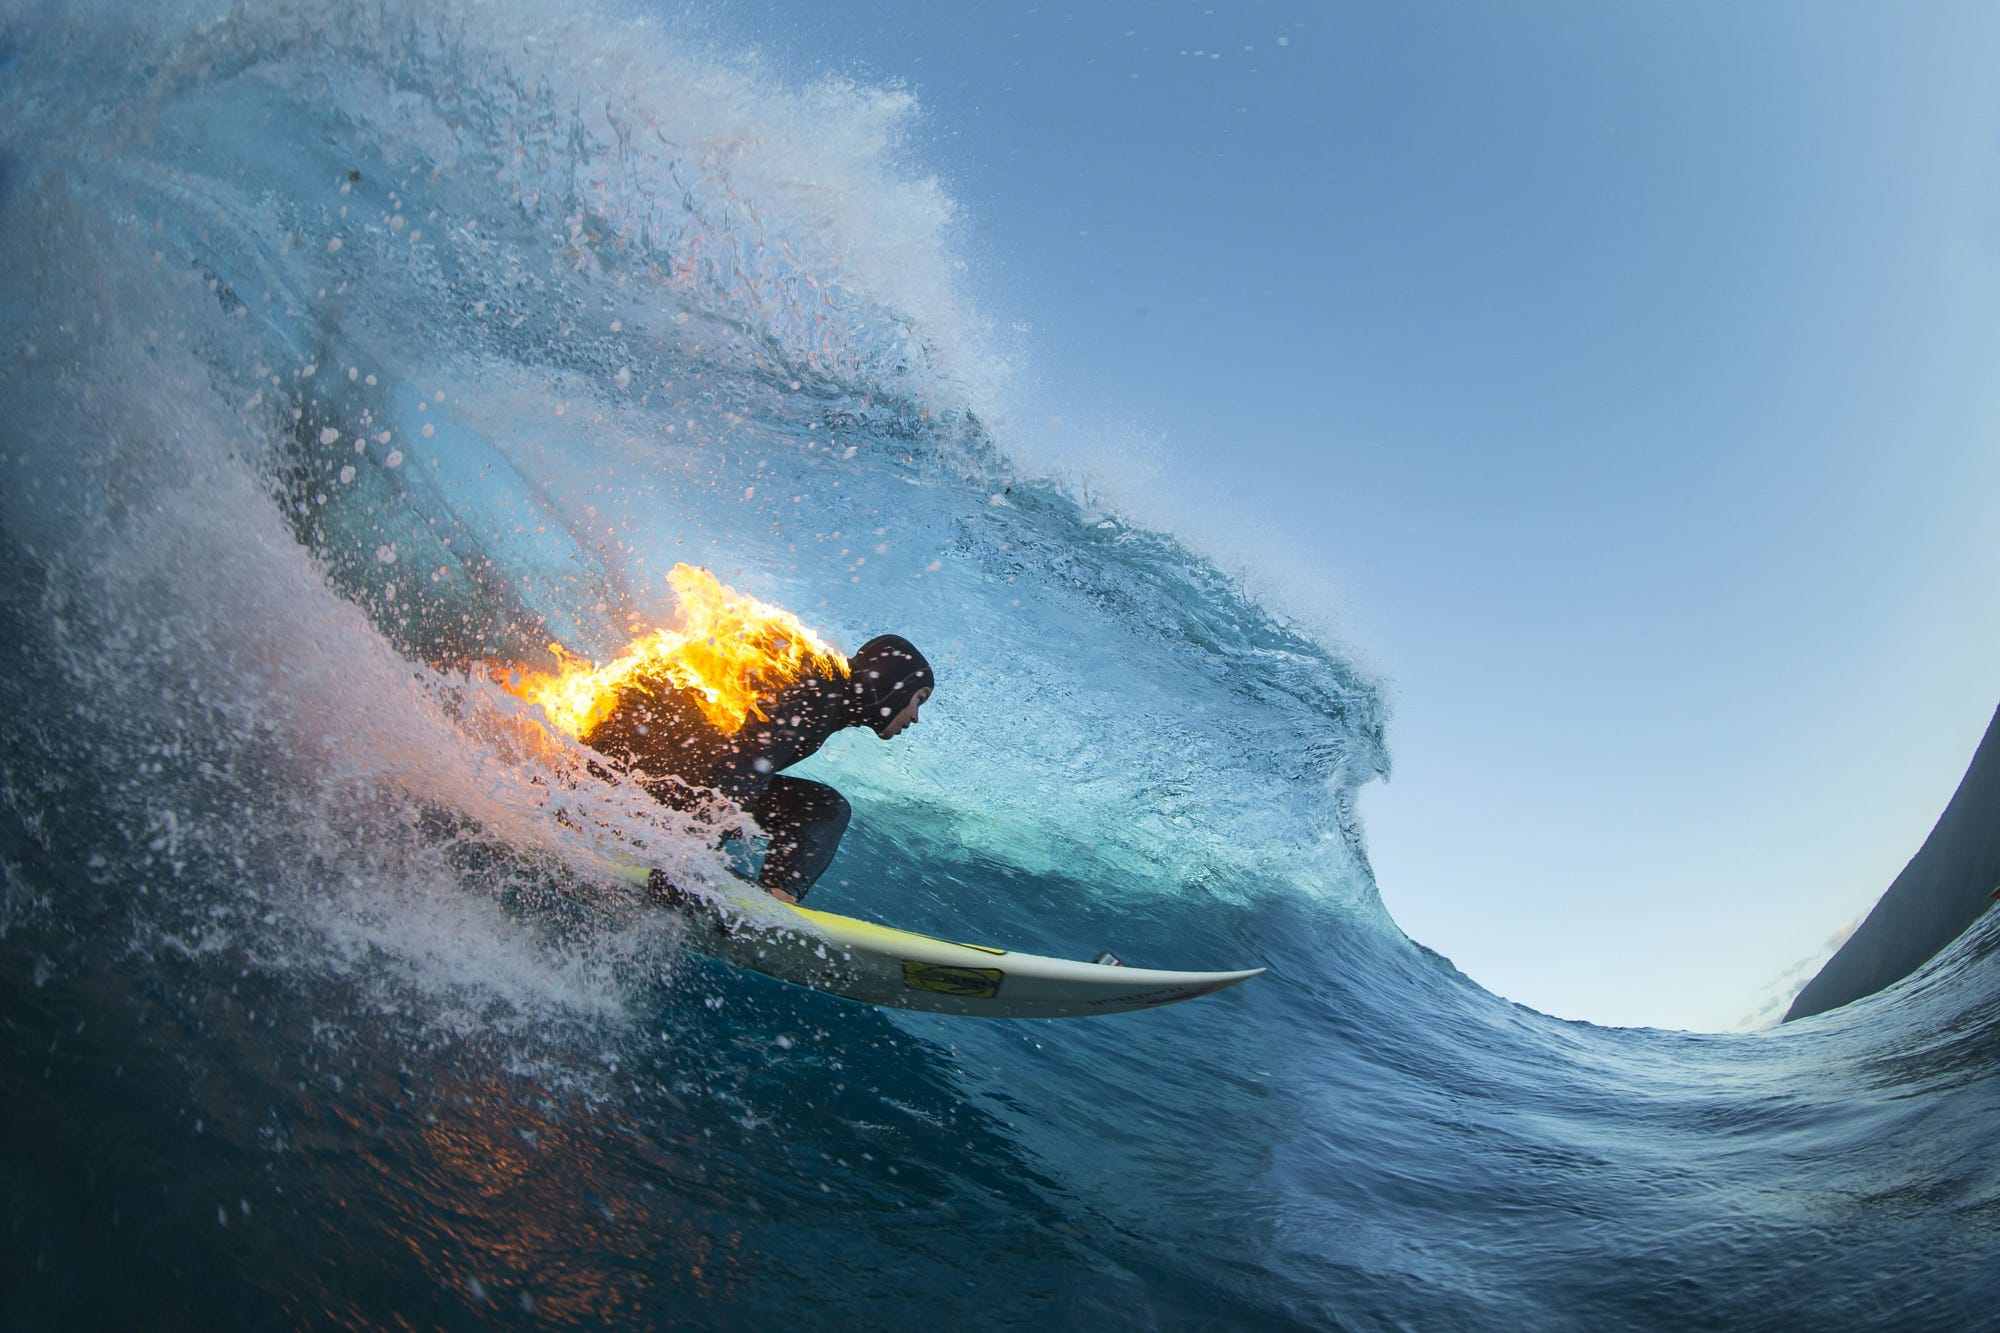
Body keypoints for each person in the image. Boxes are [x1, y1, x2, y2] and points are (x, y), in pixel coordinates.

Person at [586, 635, 935, 903]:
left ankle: (771, 899)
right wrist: (688, 862)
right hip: (626, 766)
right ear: (895, 686)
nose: (916, 717)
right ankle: (770, 903)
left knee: (823, 807)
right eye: (918, 699)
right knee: (825, 808)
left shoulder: (829, 696)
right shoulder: (819, 693)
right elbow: (741, 771)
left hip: (656, 771)